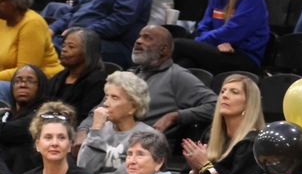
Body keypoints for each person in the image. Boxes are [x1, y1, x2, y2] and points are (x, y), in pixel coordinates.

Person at [75, 25, 219, 150]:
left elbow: (216, 105)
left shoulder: (178, 76)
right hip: (109, 143)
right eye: (139, 37)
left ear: (164, 49)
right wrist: (83, 131)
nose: (138, 41)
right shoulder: (129, 74)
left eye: (147, 38)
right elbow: (101, 109)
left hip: (145, 151)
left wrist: (175, 116)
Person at [76, 71, 161, 174]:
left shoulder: (148, 136)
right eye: (106, 96)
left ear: (133, 107)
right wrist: (96, 130)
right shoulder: (99, 130)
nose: (106, 103)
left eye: (114, 98)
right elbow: (83, 171)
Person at [0, 0, 63, 106]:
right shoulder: (2, 20)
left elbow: (24, 71)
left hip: (37, 83)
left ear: (15, 0)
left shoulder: (32, 24)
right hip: (9, 80)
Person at [47, 27, 108, 129]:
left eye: (71, 47)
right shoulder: (60, 76)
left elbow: (85, 117)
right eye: (63, 45)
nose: (64, 50)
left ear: (87, 52)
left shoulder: (96, 81)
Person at [0, 65, 49, 174]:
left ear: (41, 86)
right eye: (17, 81)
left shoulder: (46, 113)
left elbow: (9, 132)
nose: (22, 85)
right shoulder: (9, 114)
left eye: (30, 81)